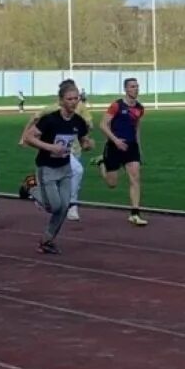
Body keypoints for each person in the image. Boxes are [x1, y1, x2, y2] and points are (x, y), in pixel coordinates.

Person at [22, 80, 93, 254]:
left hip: (65, 168)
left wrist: (88, 144)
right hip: (47, 167)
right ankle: (30, 185)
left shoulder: (78, 121)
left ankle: (47, 240)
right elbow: (29, 138)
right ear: (61, 101)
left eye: (76, 98)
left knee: (64, 206)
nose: (74, 102)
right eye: (69, 99)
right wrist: (50, 147)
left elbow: (83, 140)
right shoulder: (50, 120)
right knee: (53, 206)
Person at [96, 77, 148, 226]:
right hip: (114, 147)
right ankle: (101, 163)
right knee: (112, 184)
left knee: (135, 178)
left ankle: (135, 213)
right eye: (132, 87)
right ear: (126, 89)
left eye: (137, 86)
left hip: (131, 147)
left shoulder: (139, 108)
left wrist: (139, 146)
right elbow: (103, 124)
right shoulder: (116, 106)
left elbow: (137, 127)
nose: (135, 89)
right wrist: (116, 141)